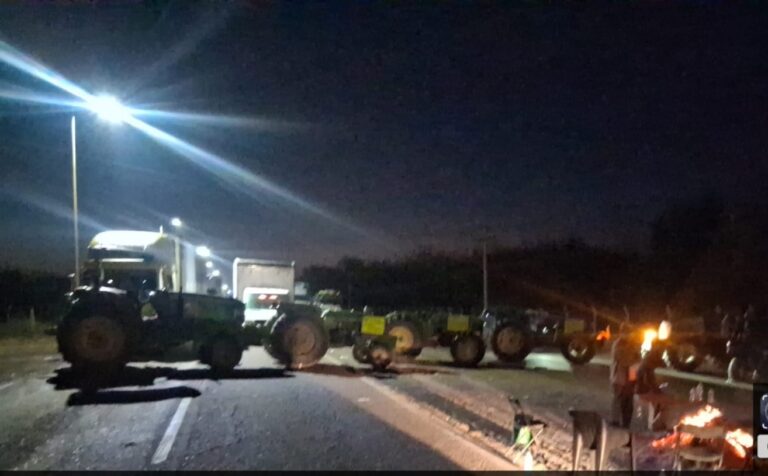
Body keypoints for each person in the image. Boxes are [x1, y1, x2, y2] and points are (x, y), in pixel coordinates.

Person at [610, 321, 638, 428]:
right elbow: (624, 360)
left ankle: (626, 422)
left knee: (628, 401)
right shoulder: (619, 344)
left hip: (629, 376)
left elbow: (637, 359)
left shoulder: (632, 344)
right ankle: (616, 421)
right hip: (619, 377)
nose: (629, 335)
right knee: (619, 399)